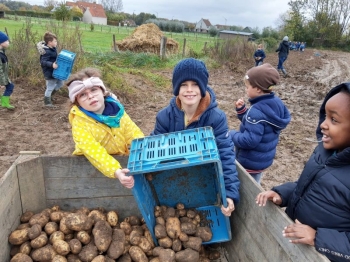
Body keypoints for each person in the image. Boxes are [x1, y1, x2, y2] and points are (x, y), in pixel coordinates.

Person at [256, 82, 350, 262]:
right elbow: (306, 187)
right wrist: (281, 194)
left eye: (334, 120)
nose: (323, 124)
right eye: (325, 116)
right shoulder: (324, 152)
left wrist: (318, 238)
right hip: (295, 248)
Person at [151, 58, 240, 217]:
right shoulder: (165, 117)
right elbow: (154, 149)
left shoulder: (216, 118)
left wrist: (230, 193)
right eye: (184, 85)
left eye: (195, 84)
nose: (189, 90)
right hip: (174, 181)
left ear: (203, 87)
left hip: (205, 182)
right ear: (177, 89)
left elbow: (225, 155)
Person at [67, 67, 144, 188]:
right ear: (77, 102)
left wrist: (142, 153)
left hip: (121, 156)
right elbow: (94, 152)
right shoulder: (79, 123)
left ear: (103, 91)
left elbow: (133, 134)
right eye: (83, 95)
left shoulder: (118, 112)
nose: (91, 96)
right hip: (94, 170)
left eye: (94, 90)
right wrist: (116, 170)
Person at [230, 63, 291, 184]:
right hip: (261, 159)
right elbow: (258, 124)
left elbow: (249, 140)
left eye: (247, 87)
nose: (246, 90)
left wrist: (232, 135)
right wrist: (242, 111)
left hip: (249, 160)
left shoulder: (256, 111)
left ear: (258, 89)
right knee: (254, 183)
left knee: (245, 187)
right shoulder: (275, 102)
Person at [37, 31, 64, 107]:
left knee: (61, 83)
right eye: (55, 41)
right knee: (50, 87)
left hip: (55, 71)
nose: (56, 42)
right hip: (49, 72)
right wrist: (52, 64)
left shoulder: (53, 48)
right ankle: (47, 102)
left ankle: (50, 96)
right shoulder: (46, 51)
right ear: (49, 42)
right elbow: (43, 62)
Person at [0, 31, 15, 110]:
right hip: (2, 77)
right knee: (10, 86)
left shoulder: (2, 52)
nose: (8, 42)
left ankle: (3, 102)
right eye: (7, 41)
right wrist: (2, 82)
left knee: (10, 86)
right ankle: (4, 103)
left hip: (4, 77)